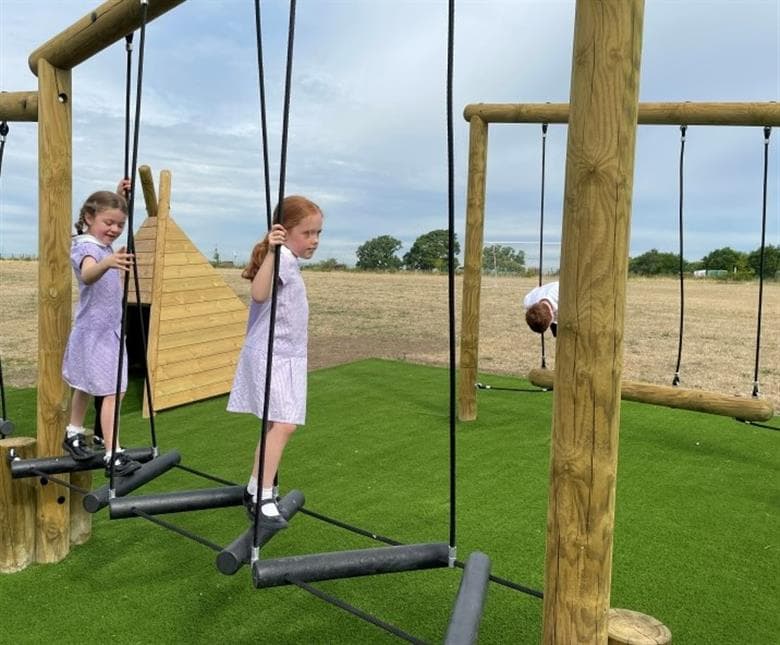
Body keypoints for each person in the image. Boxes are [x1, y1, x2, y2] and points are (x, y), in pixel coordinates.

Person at [227, 195, 324, 528]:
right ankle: (262, 494)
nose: (314, 241)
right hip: (272, 354)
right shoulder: (281, 256)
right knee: (283, 424)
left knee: (276, 424)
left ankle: (257, 487)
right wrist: (271, 250)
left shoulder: (289, 259)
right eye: (307, 233)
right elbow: (258, 294)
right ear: (285, 232)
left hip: (286, 355)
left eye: (318, 233)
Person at [61, 180, 141, 477]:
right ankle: (113, 452)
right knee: (113, 391)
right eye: (109, 223)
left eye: (120, 225)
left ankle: (72, 433)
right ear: (88, 218)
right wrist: (108, 262)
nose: (115, 229)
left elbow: (109, 221)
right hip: (96, 332)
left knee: (84, 384)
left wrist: (121, 197)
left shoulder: (100, 244)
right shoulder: (86, 247)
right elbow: (88, 274)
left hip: (103, 331)